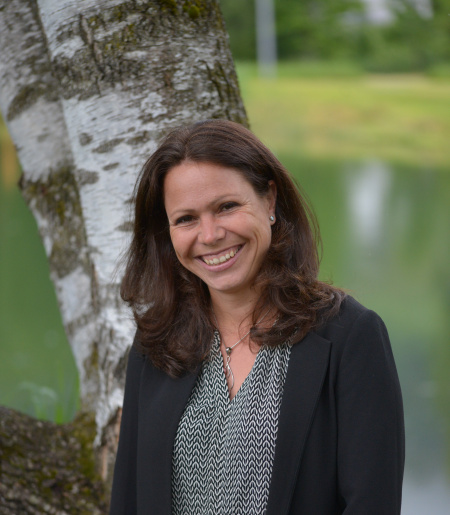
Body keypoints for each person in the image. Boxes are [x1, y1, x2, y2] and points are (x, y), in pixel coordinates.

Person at [110, 119, 404, 515]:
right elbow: (128, 501)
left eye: (226, 207)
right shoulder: (155, 344)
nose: (210, 234)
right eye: (186, 219)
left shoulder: (350, 337)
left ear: (269, 200)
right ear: (168, 233)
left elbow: (372, 505)